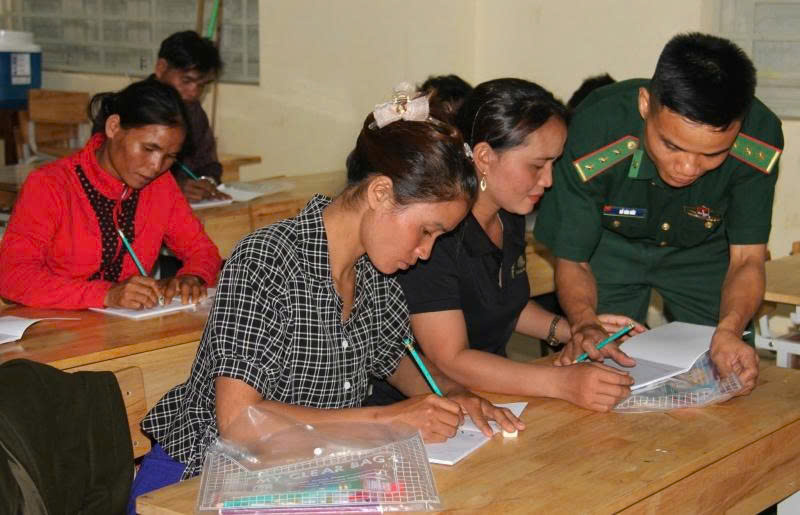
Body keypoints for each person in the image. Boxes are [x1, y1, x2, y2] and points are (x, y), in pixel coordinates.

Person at [131, 90, 524, 509]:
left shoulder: (376, 272)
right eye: (426, 231)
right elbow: (240, 422)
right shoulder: (267, 260)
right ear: (380, 193)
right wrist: (389, 419)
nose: (425, 251)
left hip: (303, 478)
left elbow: (395, 358)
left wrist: (452, 394)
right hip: (199, 481)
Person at [534, 33, 783, 396]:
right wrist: (585, 324)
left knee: (726, 373)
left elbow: (747, 259)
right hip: (607, 245)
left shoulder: (760, 138)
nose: (687, 167)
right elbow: (574, 259)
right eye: (671, 145)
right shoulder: (597, 128)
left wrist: (729, 330)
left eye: (712, 154)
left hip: (703, 248)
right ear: (645, 104)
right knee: (603, 370)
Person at [394, 78, 642, 412]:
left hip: (491, 393)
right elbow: (450, 359)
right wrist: (562, 383)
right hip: (427, 408)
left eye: (554, 164)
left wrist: (578, 331)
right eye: (537, 166)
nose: (548, 180)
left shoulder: (508, 214)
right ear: (484, 157)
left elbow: (502, 303)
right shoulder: (437, 233)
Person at [0, 79, 222, 310]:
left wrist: (193, 277)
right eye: (148, 149)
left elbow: (202, 250)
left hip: (124, 325)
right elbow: (12, 278)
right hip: (53, 323)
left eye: (170, 157)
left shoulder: (160, 185)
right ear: (113, 127)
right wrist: (106, 295)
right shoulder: (50, 185)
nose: (156, 166)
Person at [153, 30, 228, 203]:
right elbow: (117, 176)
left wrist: (206, 182)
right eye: (186, 81)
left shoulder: (193, 111)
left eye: (201, 85)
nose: (194, 93)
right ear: (161, 68)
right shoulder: (128, 109)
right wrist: (173, 188)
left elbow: (209, 164)